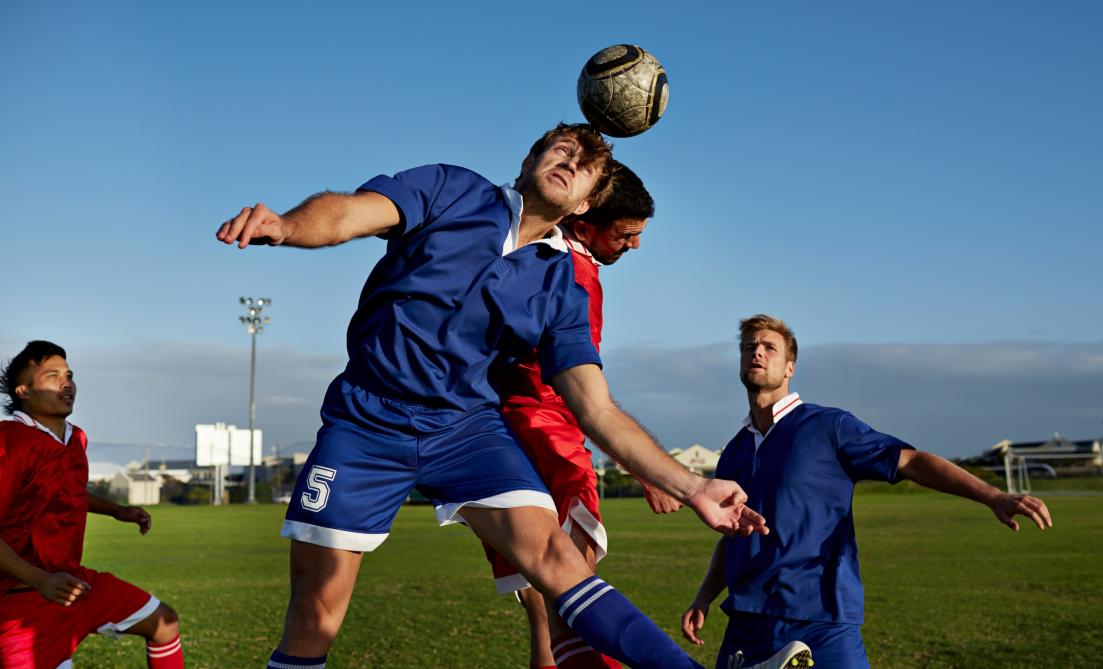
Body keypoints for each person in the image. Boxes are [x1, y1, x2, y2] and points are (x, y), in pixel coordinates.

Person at [217, 124, 797, 669]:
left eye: (587, 166)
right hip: (366, 422)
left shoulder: (561, 286)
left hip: (465, 431)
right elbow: (350, 213)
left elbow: (594, 407)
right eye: (562, 150)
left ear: (585, 204)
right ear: (529, 161)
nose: (571, 162)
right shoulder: (450, 188)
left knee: (558, 559)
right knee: (315, 615)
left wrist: (693, 486)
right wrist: (289, 226)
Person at [681, 315, 1053, 668]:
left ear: (790, 367)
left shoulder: (829, 426)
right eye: (748, 347)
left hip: (821, 618)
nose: (756, 352)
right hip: (747, 619)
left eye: (768, 347)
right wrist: (705, 595)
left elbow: (912, 462)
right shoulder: (734, 452)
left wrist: (992, 495)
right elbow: (731, 536)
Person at [481, 162, 680, 669]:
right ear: (586, 223)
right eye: (627, 234)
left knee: (543, 605)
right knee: (577, 590)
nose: (634, 246)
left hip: (494, 435)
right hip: (546, 431)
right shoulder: (573, 271)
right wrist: (644, 467)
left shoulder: (524, 249)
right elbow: (583, 394)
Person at [0, 341, 183, 668]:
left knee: (164, 624)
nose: (66, 382)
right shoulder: (9, 441)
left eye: (69, 375)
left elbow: (65, 493)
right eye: (52, 375)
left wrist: (116, 511)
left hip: (73, 583)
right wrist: (40, 581)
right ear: (24, 391)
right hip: (20, 599)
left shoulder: (75, 438)